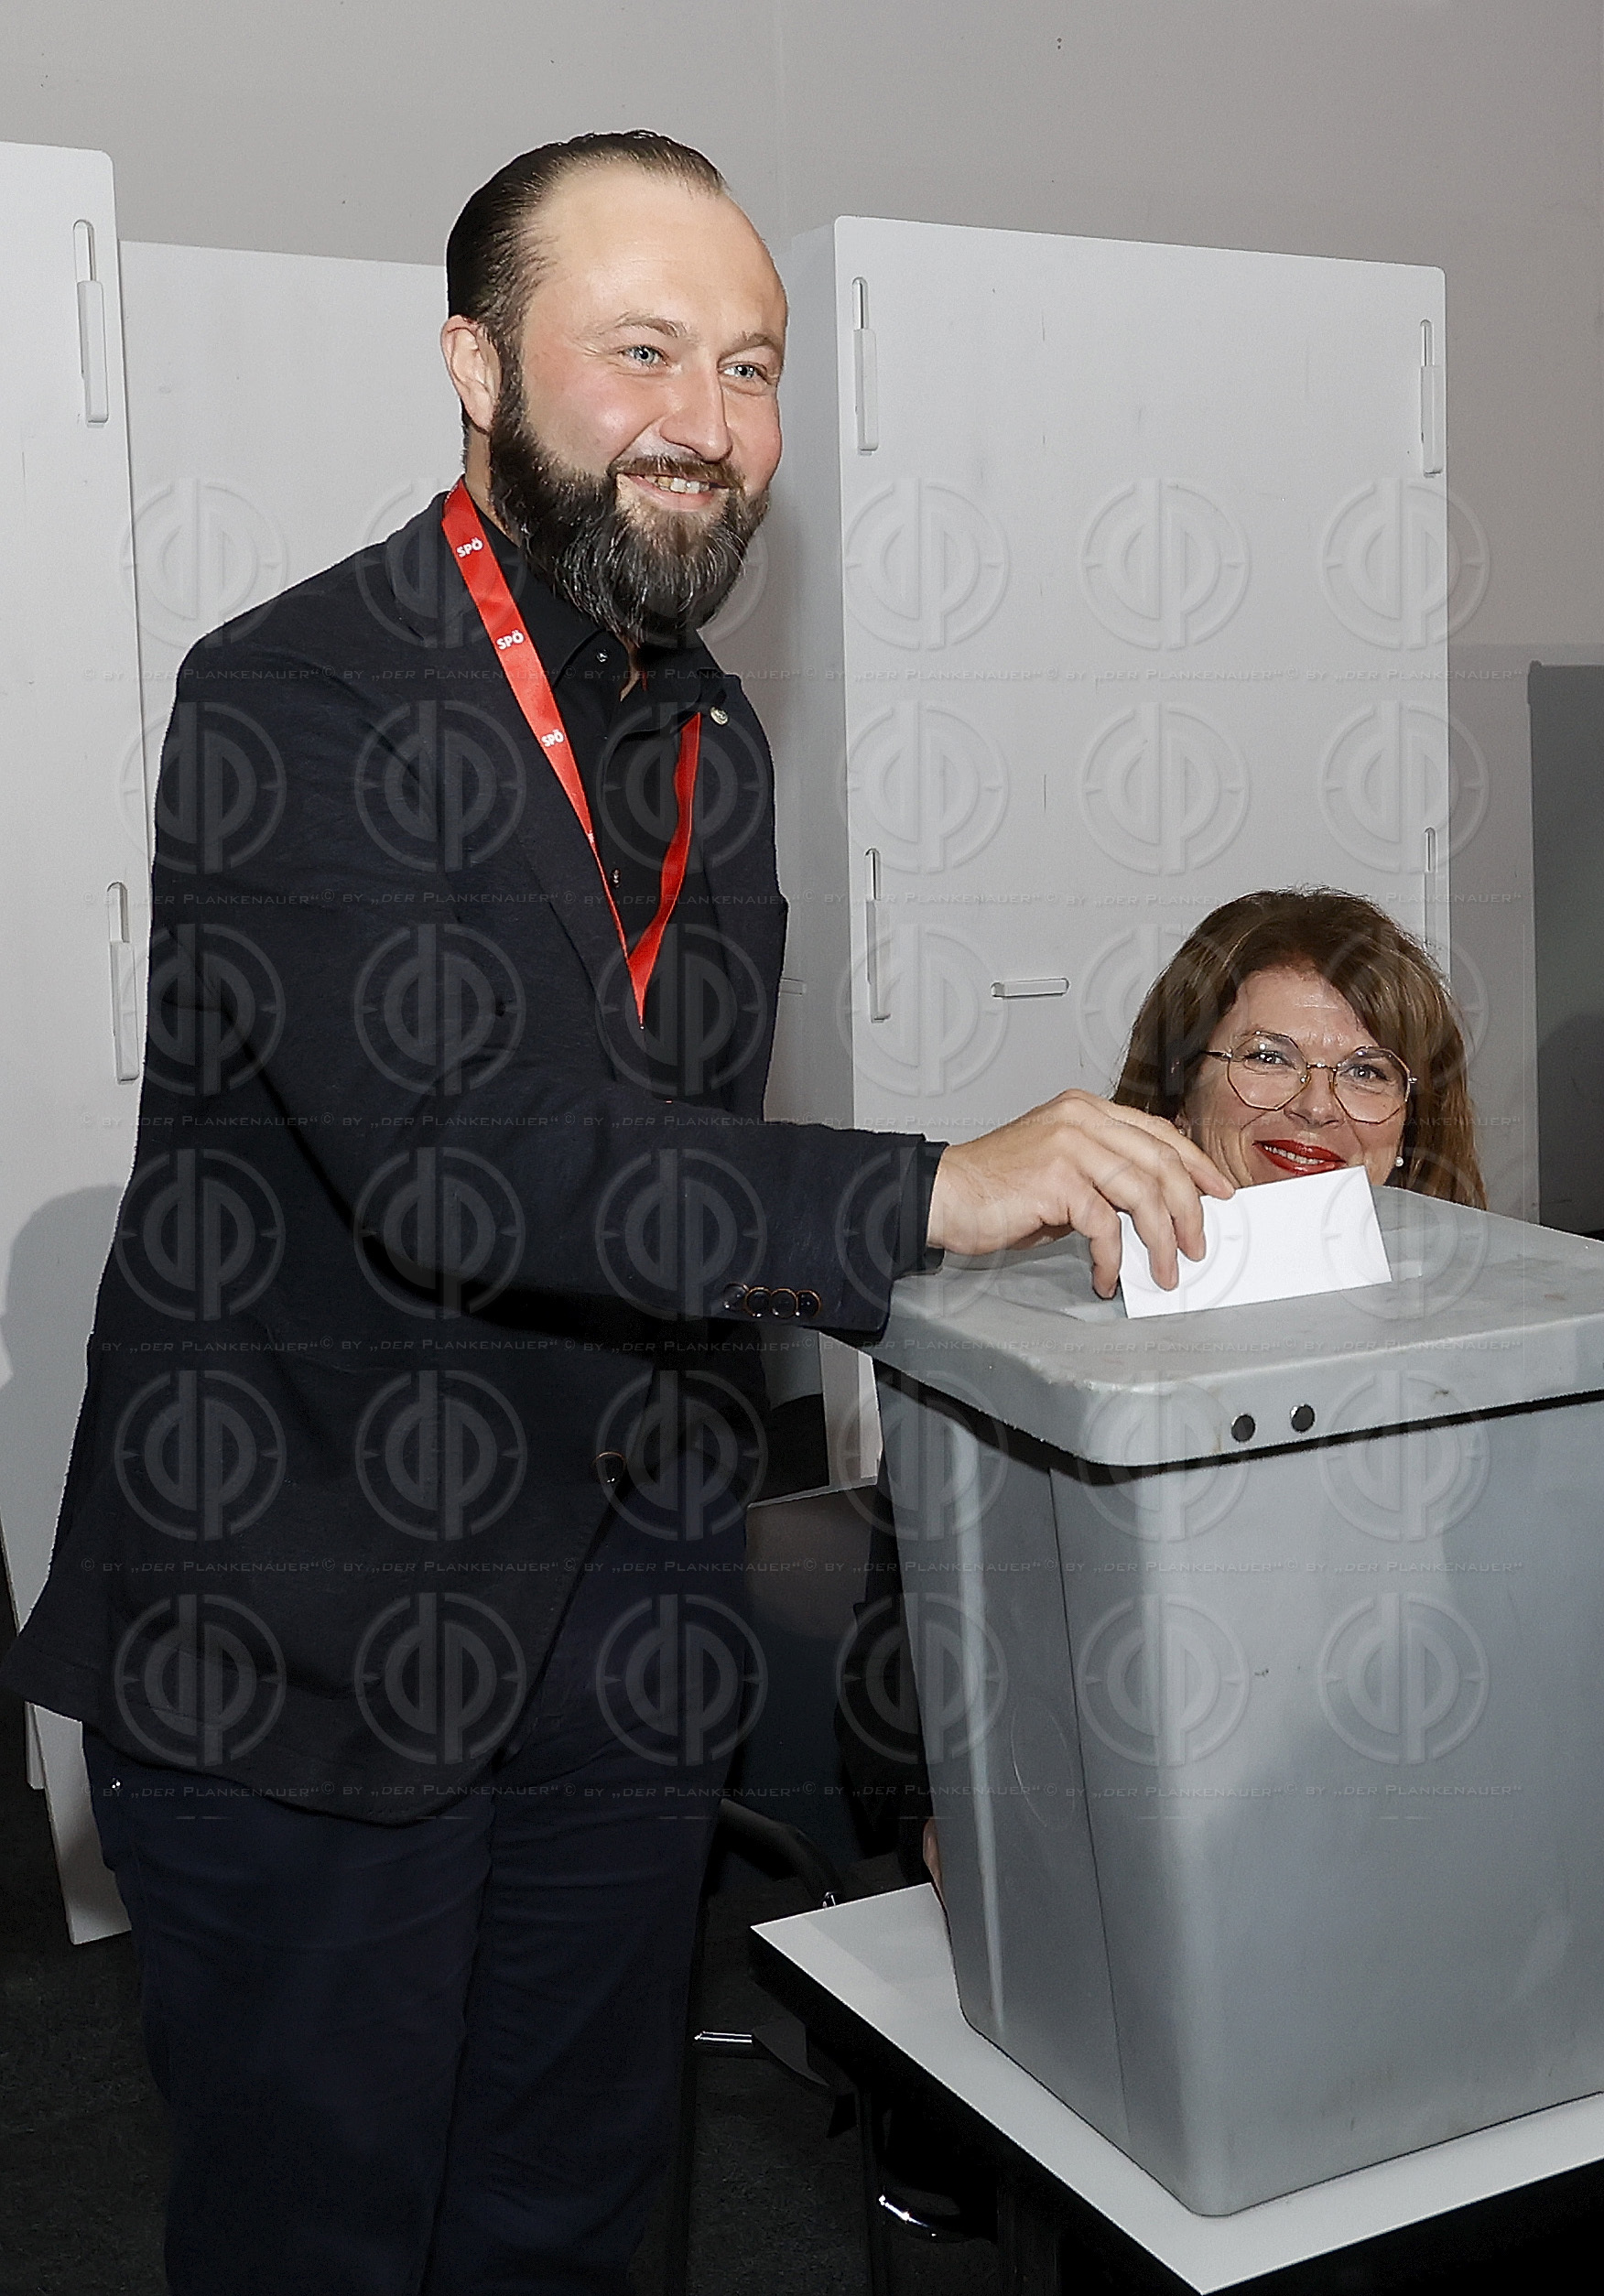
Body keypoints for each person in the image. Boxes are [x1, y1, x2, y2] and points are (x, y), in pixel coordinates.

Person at [0, 133, 1231, 2294]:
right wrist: (929, 1187)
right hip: (313, 1652)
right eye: (643, 347)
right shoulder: (291, 697)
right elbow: (457, 1159)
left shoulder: (713, 736)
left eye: (752, 367)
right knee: (326, 2240)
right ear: (475, 365)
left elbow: (670, 1165)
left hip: (617, 1633)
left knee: (576, 2216)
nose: (711, 420)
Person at [909, 886, 1484, 1906]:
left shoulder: (1506, 1346)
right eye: (1266, 1057)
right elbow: (922, 1654)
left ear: (1409, 1118)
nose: (1315, 1106)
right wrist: (956, 1810)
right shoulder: (1021, 1347)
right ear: (1178, 1092)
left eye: (1366, 1071)